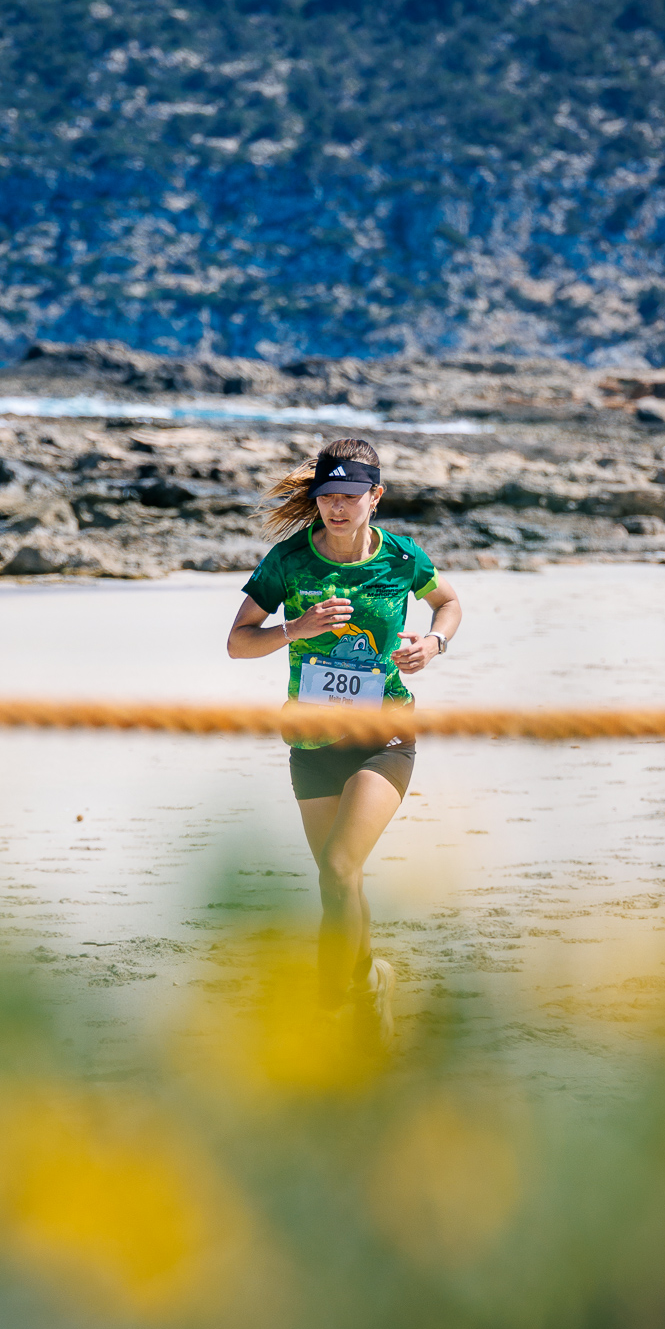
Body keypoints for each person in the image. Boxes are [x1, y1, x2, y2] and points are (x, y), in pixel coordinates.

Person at [227, 438, 462, 1046]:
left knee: (338, 866)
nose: (336, 507)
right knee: (341, 881)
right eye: (327, 496)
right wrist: (295, 628)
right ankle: (368, 981)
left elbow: (448, 603)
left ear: (374, 497)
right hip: (311, 742)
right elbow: (238, 642)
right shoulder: (289, 561)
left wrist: (433, 643)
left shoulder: (402, 558)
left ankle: (332, 1006)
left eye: (349, 497)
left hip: (385, 735)